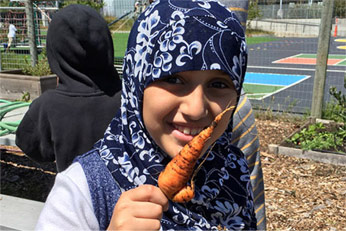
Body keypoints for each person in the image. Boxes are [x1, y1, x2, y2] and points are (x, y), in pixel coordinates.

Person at [36, 0, 257, 230]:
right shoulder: (82, 190)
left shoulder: (233, 169)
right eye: (174, 79)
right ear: (137, 83)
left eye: (218, 84)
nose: (196, 109)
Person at [15, 4, 122, 172]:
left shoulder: (47, 105)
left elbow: (29, 145)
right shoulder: (128, 99)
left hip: (74, 196)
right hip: (129, 196)